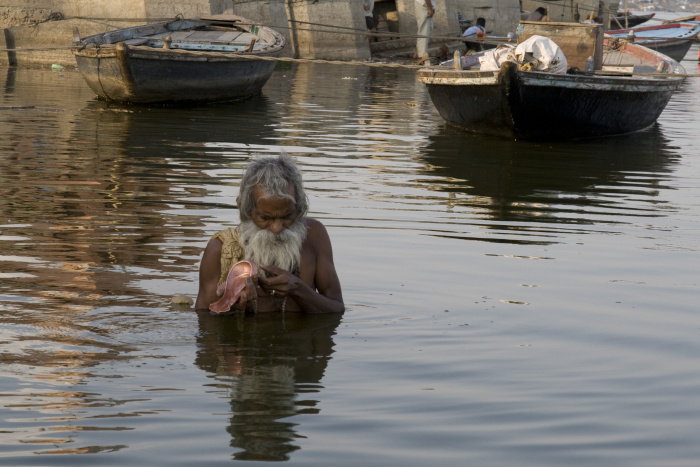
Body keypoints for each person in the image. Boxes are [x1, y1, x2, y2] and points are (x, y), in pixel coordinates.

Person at [195, 152, 344, 315]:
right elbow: (203, 323)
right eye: (265, 218)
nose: (277, 228)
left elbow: (336, 308)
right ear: (248, 212)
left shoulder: (314, 235)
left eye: (287, 216)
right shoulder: (220, 250)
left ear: (298, 210)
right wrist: (229, 305)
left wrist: (298, 289)